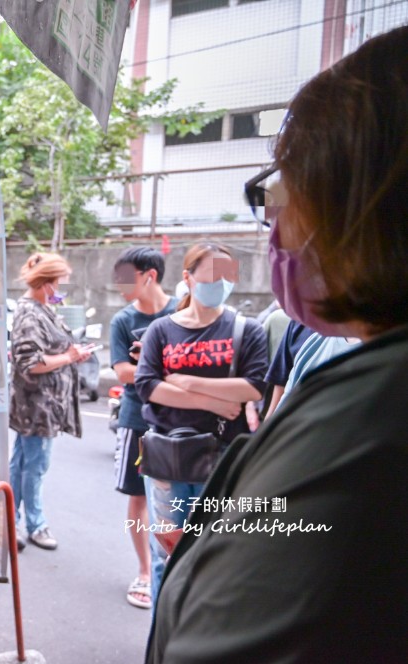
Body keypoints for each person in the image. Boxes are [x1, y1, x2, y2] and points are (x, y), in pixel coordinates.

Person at [147, 26, 408, 662]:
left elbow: (252, 393)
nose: (276, 227)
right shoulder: (356, 376)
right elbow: (154, 384)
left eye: (281, 195)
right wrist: (223, 547)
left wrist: (227, 552)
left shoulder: (361, 421)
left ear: (359, 206)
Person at [134, 242, 268, 606]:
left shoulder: (247, 330)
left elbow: (253, 386)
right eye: (211, 274)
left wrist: (188, 382)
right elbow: (148, 386)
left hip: (223, 457)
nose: (219, 282)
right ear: (188, 278)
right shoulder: (161, 330)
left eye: (227, 275)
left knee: (211, 560)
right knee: (167, 555)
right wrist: (213, 400)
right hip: (167, 459)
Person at [9, 252, 95, 551]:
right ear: (47, 284)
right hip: (37, 406)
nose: (60, 289)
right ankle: (35, 524)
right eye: (58, 283)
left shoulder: (42, 309)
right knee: (34, 466)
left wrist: (72, 354)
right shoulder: (30, 313)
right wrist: (69, 356)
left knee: (23, 462)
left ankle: (12, 520)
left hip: (42, 404)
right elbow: (29, 362)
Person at [109, 247, 178, 610]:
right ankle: (145, 571)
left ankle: (176, 566)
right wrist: (172, 375)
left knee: (185, 495)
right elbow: (122, 373)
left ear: (149, 276)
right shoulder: (122, 320)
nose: (118, 284)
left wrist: (151, 374)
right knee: (140, 499)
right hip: (137, 420)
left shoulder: (182, 312)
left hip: (183, 421)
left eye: (125, 276)